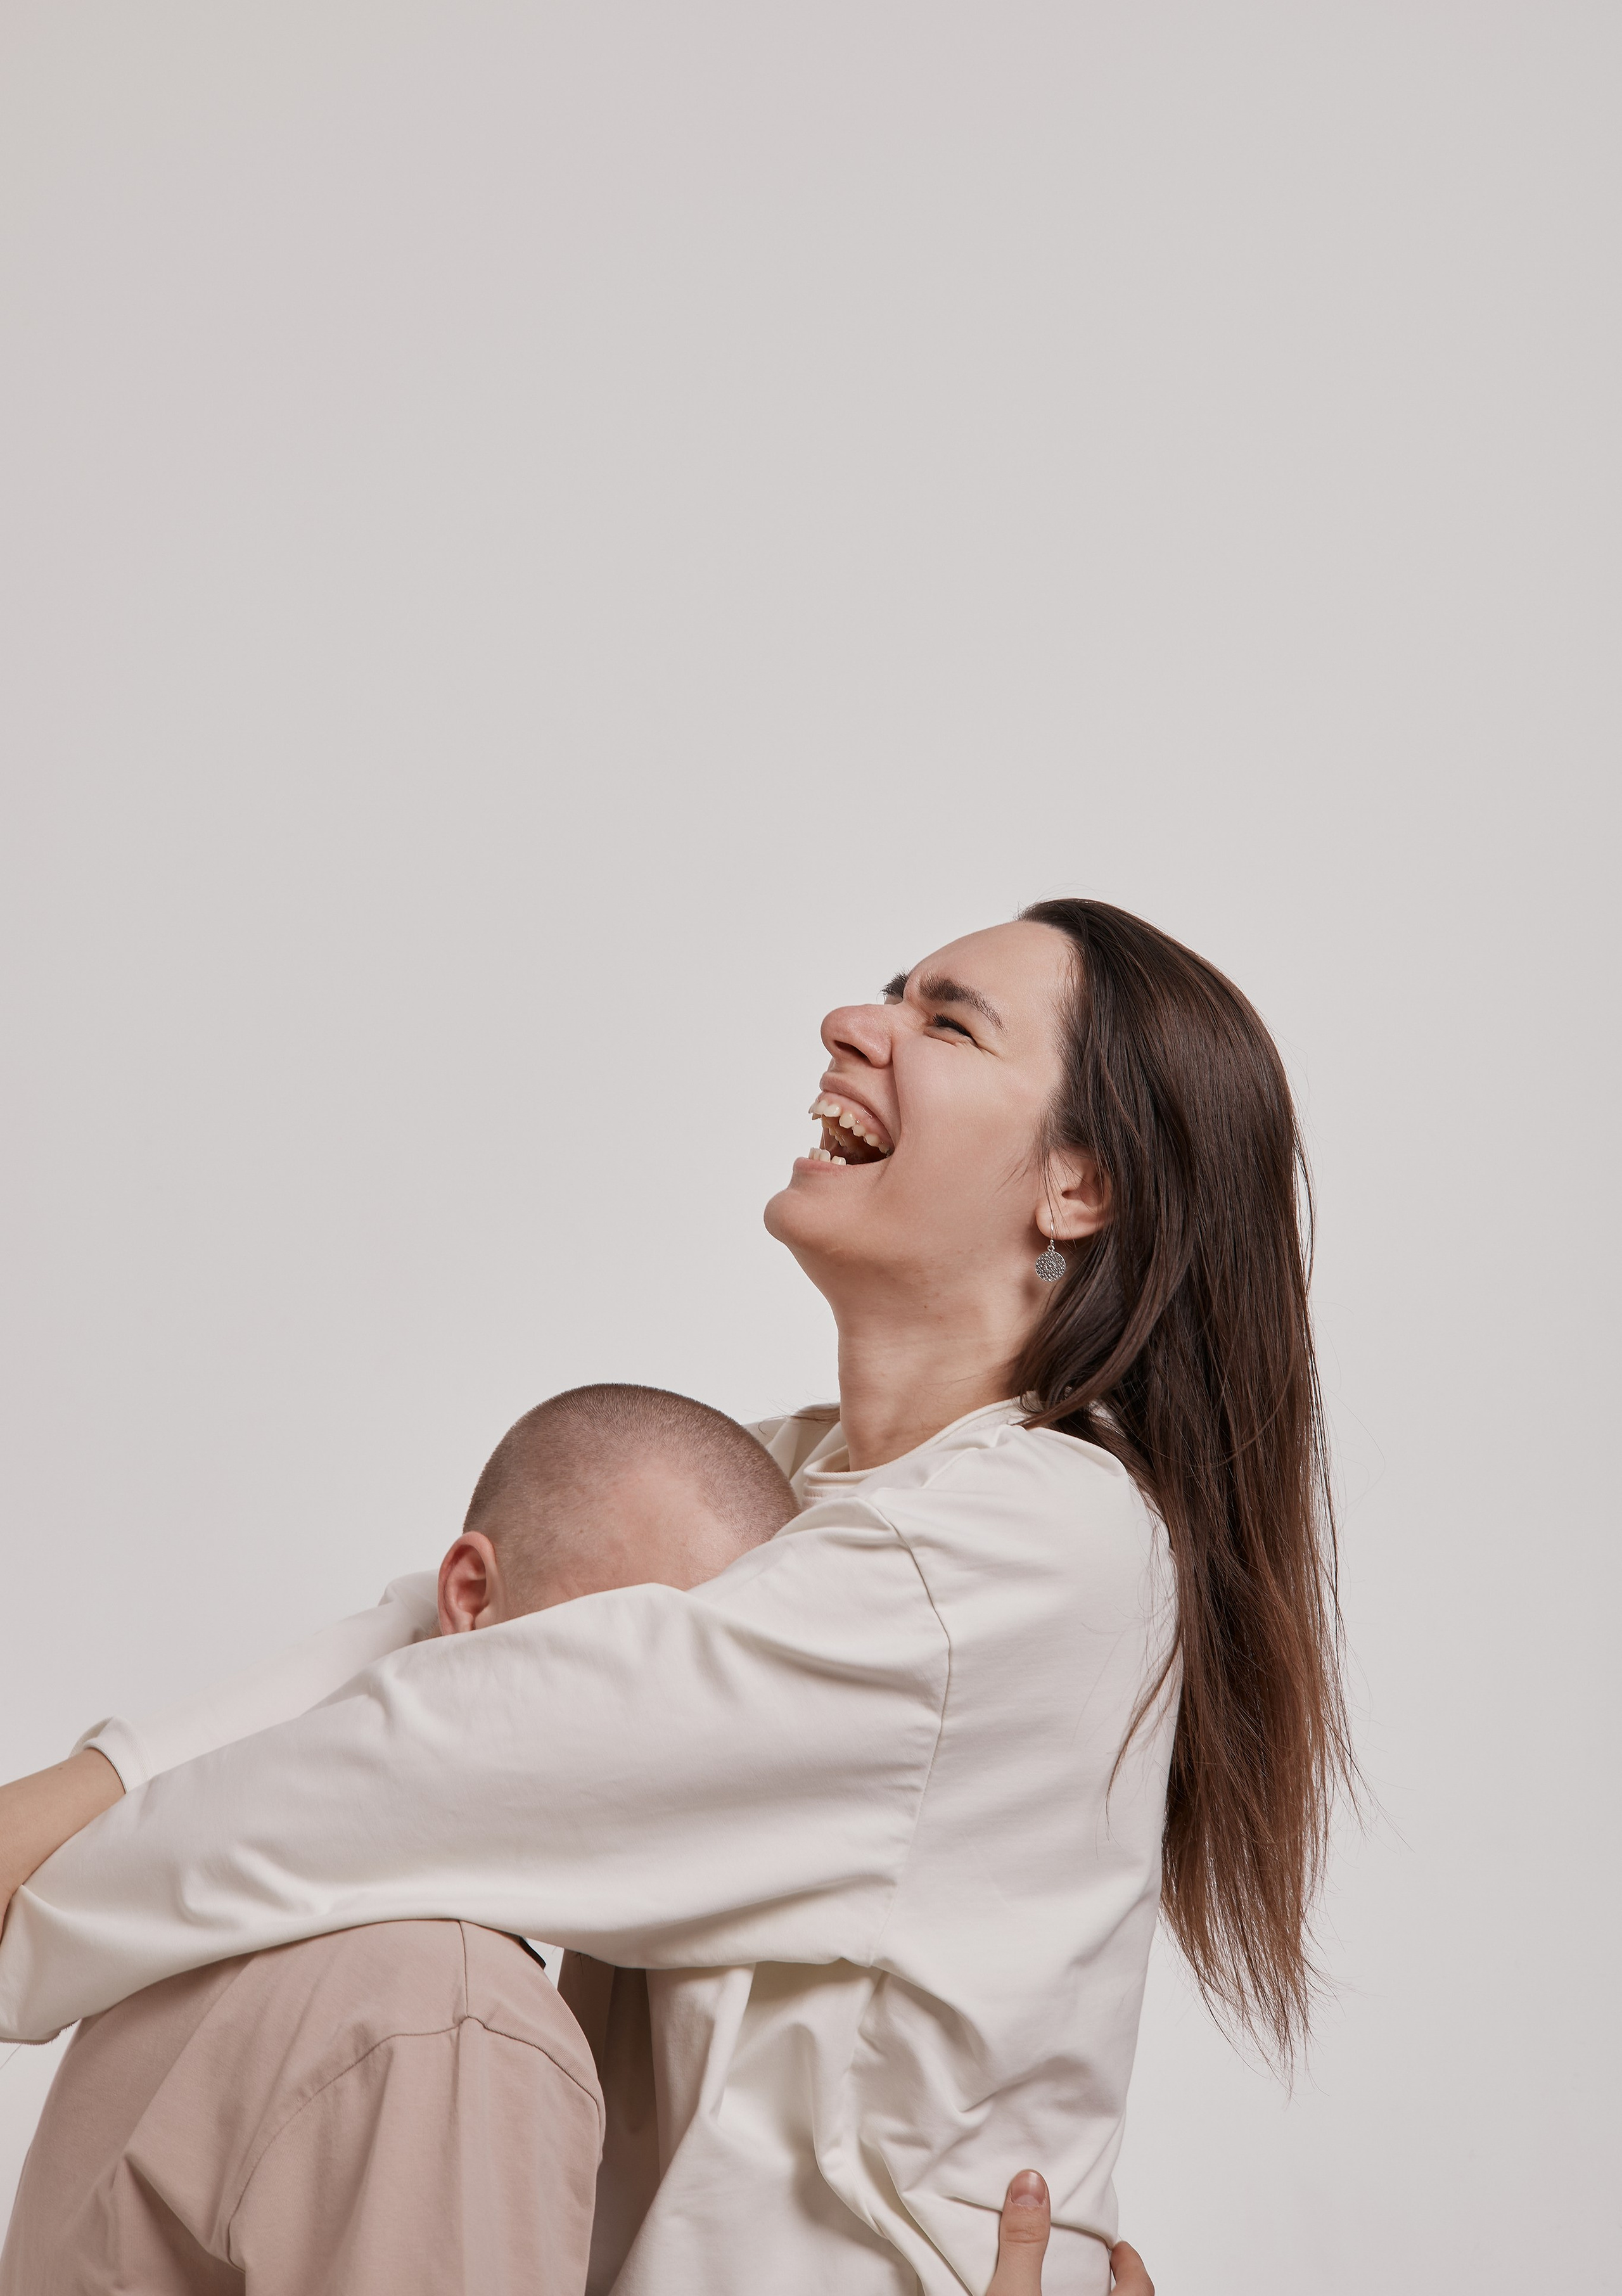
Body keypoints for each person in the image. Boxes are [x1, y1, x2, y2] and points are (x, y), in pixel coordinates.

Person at [0, 902, 1346, 2294]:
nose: (852, 1023)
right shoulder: (788, 1488)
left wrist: (35, 1894)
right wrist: (65, 1801)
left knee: (420, 1989)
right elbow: (432, 1637)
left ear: (1076, 1188)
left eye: (947, 1023)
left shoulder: (1045, 1540)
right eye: (891, 993)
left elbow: (456, 1738)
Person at [0, 1386, 798, 2296]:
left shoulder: (195, 1935)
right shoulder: (455, 2017)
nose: (683, 1724)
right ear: (470, 1594)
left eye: (731, 1691)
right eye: (626, 1649)